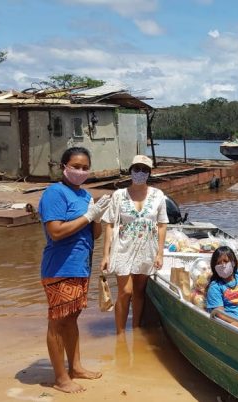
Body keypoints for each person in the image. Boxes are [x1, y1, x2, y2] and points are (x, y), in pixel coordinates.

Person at [38, 146, 110, 393]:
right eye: (76, 166)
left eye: (85, 167)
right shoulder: (54, 193)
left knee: (72, 318)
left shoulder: (84, 195)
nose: (80, 171)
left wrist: (97, 217)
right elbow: (56, 232)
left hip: (81, 267)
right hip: (60, 267)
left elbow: (94, 234)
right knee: (58, 321)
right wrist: (88, 216)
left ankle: (75, 367)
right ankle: (61, 378)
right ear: (63, 167)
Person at [100, 155, 168, 336]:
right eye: (136, 169)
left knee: (139, 291)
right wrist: (105, 254)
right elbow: (109, 224)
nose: (140, 173)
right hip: (123, 248)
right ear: (130, 171)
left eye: (144, 170)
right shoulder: (119, 195)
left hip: (147, 249)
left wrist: (160, 253)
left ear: (149, 173)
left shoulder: (158, 195)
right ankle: (120, 334)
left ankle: (136, 329)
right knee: (125, 291)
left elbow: (162, 225)